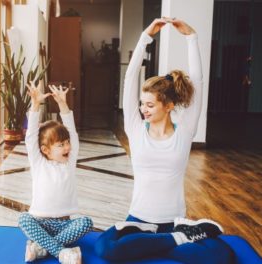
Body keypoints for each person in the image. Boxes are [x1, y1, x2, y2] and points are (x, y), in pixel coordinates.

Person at [94, 18, 233, 263]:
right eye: (141, 104)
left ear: (168, 106)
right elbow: (129, 79)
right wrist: (145, 36)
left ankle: (164, 239)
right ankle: (181, 239)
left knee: (221, 256)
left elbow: (198, 84)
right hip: (137, 220)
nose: (143, 109)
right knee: (105, 249)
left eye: (150, 105)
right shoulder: (135, 129)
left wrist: (192, 38)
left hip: (173, 221)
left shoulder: (185, 131)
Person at [18, 80, 93, 264]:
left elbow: (72, 132)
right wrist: (35, 104)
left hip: (65, 224)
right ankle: (62, 252)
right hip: (40, 222)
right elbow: (30, 136)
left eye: (67, 143)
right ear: (45, 150)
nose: (67, 146)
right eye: (61, 145)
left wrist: (62, 104)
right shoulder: (38, 162)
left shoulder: (69, 161)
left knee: (86, 222)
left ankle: (40, 248)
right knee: (23, 219)